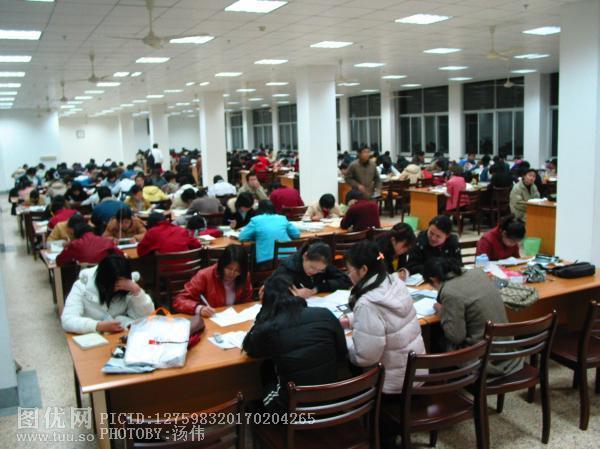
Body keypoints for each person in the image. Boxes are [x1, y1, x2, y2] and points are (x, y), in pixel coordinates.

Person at [242, 274, 347, 413]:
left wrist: (264, 310)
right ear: (294, 292)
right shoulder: (325, 314)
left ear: (266, 299)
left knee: (266, 367)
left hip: (292, 407)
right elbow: (341, 351)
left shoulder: (268, 328)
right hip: (330, 398)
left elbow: (249, 347)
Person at [340, 241, 425, 396]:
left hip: (391, 385)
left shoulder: (366, 303)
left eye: (349, 271)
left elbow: (365, 357)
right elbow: (387, 317)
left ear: (363, 270)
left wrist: (344, 341)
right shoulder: (394, 281)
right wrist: (353, 319)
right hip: (416, 373)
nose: (348, 275)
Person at [424, 257, 522, 377]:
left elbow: (456, 337)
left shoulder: (449, 291)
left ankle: (447, 382)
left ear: (433, 279)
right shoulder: (478, 273)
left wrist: (442, 312)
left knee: (434, 334)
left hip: (484, 356)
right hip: (505, 346)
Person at [61, 252, 154, 334]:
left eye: (121, 284)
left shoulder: (128, 286)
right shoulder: (81, 286)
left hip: (119, 336)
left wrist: (137, 292)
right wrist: (97, 326)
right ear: (102, 280)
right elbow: (67, 320)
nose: (118, 288)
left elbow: (147, 319)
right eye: (114, 285)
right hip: (91, 336)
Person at [172, 245, 253, 316]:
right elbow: (179, 300)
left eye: (237, 271)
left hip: (234, 321)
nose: (232, 273)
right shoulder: (205, 275)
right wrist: (198, 309)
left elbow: (247, 301)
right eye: (228, 268)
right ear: (222, 264)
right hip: (210, 320)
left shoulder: (244, 276)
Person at [272, 240, 351, 298]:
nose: (314, 272)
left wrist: (316, 289)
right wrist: (292, 294)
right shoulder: (287, 267)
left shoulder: (322, 264)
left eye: (320, 270)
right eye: (312, 267)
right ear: (305, 256)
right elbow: (272, 292)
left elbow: (346, 281)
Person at [239, 200, 301, 268]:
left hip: (267, 262)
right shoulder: (282, 218)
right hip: (290, 259)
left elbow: (242, 237)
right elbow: (296, 234)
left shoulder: (255, 220)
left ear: (259, 209)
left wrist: (255, 237)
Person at [137, 213, 202, 257]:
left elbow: (140, 252)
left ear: (150, 225)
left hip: (164, 271)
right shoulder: (181, 230)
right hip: (189, 269)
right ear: (166, 220)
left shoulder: (152, 232)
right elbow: (197, 245)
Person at [56, 223, 122, 266]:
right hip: (106, 274)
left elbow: (59, 261)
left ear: (77, 235)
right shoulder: (106, 240)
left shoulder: (75, 244)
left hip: (85, 276)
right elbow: (120, 255)